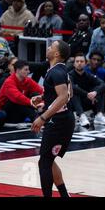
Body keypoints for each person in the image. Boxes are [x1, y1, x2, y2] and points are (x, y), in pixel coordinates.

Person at [31, 40, 75, 198]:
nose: (48, 48)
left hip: (59, 122)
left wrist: (43, 117)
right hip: (62, 120)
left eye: (51, 47)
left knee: (44, 162)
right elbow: (69, 93)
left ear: (56, 54)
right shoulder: (61, 70)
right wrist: (44, 97)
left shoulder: (56, 72)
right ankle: (64, 195)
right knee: (47, 160)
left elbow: (63, 97)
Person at [0, 60, 43, 125]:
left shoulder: (28, 80)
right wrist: (33, 103)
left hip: (19, 110)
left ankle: (41, 116)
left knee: (36, 95)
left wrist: (43, 103)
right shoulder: (9, 82)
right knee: (17, 101)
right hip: (5, 113)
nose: (28, 72)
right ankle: (37, 119)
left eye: (28, 70)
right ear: (18, 70)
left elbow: (41, 91)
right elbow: (17, 97)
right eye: (26, 70)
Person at [69, 53, 105, 127]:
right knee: (73, 91)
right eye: (77, 61)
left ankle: (99, 115)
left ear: (86, 63)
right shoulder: (70, 75)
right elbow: (72, 87)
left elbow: (103, 84)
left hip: (86, 102)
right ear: (74, 64)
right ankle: (81, 116)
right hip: (72, 104)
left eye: (82, 61)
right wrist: (87, 94)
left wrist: (95, 92)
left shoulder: (88, 75)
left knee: (100, 90)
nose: (79, 63)